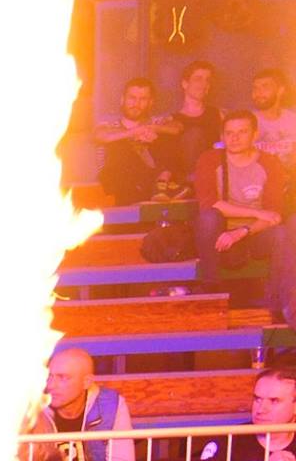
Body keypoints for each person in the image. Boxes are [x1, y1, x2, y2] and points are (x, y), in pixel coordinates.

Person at [192, 110, 294, 325]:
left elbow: (273, 215)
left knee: (282, 233)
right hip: (220, 236)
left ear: (255, 135)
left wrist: (243, 231)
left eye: (242, 132)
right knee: (208, 218)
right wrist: (255, 212)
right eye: (229, 133)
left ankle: (276, 304)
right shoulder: (210, 159)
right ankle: (211, 288)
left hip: (255, 234)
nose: (234, 138)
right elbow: (210, 204)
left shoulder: (269, 162)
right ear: (222, 136)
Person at [96, 78, 180, 205]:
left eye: (143, 99)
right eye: (132, 98)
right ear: (122, 99)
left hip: (151, 179)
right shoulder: (109, 124)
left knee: (167, 137)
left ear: (150, 102)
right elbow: (101, 136)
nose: (136, 104)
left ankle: (162, 183)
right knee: (118, 145)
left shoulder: (155, 122)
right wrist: (136, 132)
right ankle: (157, 190)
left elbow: (177, 128)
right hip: (119, 184)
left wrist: (153, 129)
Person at [254, 69, 296, 171]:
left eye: (265, 87)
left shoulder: (292, 120)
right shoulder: (247, 122)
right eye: (255, 88)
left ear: (280, 90)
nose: (258, 93)